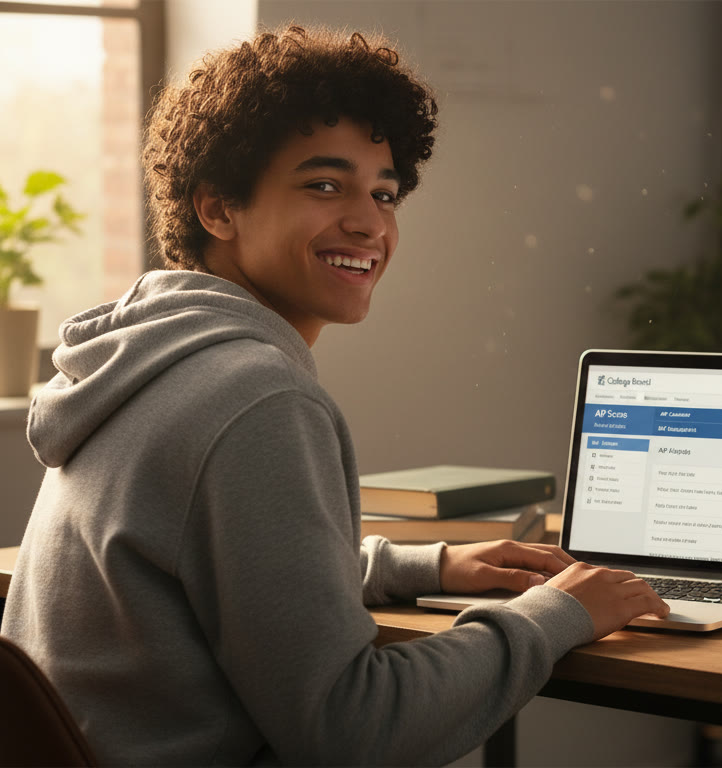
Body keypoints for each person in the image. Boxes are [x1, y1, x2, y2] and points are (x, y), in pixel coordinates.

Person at [0, 25, 667, 766]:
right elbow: (355, 728)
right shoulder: (257, 398)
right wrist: (560, 613)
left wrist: (426, 565)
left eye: (384, 193)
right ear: (218, 209)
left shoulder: (142, 366)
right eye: (325, 185)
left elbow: (231, 574)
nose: (369, 222)